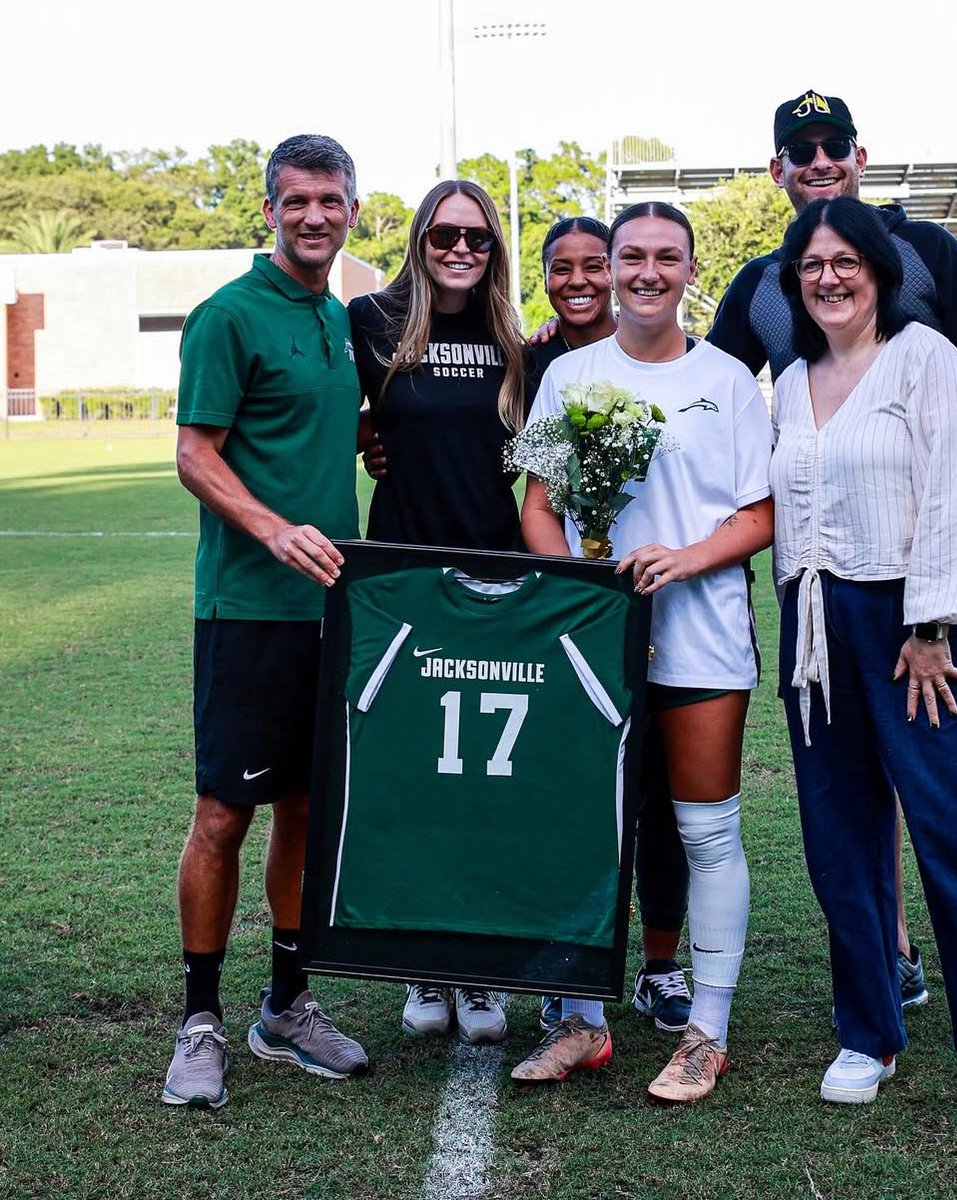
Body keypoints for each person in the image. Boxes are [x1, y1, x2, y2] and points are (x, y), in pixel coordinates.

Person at [708, 89, 957, 1037]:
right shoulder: (763, 284)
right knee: (858, 772)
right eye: (800, 150)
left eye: (833, 145)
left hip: (941, 551)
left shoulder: (927, 254)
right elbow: (707, 394)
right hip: (831, 572)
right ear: (777, 170)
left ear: (860, 157)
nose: (818, 161)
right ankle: (896, 955)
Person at [365, 215, 698, 1036]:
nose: (578, 281)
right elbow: (402, 426)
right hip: (514, 593)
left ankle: (648, 966)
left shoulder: (659, 361)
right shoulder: (533, 355)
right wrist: (375, 442)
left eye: (593, 265)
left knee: (638, 792)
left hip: (626, 599)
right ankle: (460, 961)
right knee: (480, 776)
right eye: (562, 268)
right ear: (543, 276)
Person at [770, 195, 957, 1131]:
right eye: (811, 265)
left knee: (952, 829)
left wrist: (932, 625)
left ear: (877, 271)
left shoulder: (924, 358)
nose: (828, 278)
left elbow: (955, 492)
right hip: (814, 625)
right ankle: (869, 1030)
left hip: (911, 628)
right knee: (838, 836)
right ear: (794, 281)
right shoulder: (790, 381)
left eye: (844, 262)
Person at [514, 202, 773, 1103]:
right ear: (612, 266)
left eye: (667, 257)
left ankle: (707, 1032)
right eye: (632, 256)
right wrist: (581, 588)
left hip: (702, 638)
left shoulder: (729, 380)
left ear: (692, 270)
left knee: (705, 831)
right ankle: (581, 1020)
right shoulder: (569, 375)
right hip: (595, 642)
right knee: (586, 828)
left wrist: (685, 558)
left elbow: (761, 513)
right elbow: (538, 507)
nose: (647, 272)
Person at [165, 134, 369, 1109]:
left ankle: (286, 1004)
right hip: (247, 609)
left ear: (354, 210)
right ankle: (199, 1019)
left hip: (331, 608)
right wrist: (273, 528)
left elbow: (323, 431)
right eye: (297, 201)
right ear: (270, 211)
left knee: (305, 809)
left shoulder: (338, 318)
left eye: (330, 200)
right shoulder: (228, 315)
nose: (314, 217)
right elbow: (194, 454)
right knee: (223, 813)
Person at [348, 179, 528, 1045]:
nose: (461, 249)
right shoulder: (370, 321)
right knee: (417, 775)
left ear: (494, 250)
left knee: (487, 780)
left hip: (496, 581)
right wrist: (369, 442)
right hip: (402, 581)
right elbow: (332, 414)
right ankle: (424, 959)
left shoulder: (515, 339)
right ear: (419, 239)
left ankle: (481, 964)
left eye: (477, 238)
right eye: (445, 234)